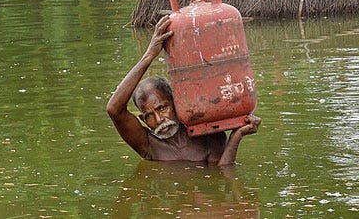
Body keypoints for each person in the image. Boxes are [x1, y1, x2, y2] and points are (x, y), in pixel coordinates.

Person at [106, 15, 261, 166]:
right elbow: (114, 109)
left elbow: (221, 176)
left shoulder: (208, 135)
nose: (160, 120)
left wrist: (236, 135)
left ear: (176, 102)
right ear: (143, 120)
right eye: (149, 116)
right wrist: (149, 55)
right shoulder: (147, 144)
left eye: (162, 108)